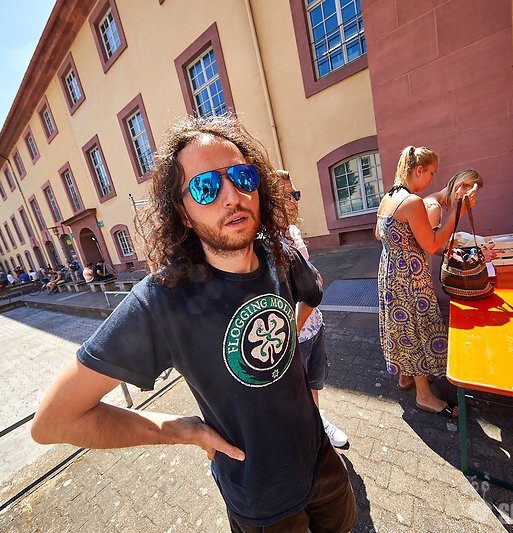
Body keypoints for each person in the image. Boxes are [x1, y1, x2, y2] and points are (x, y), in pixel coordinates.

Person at [31, 115, 357, 532]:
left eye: (242, 177)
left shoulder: (280, 255)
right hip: (259, 498)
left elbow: (311, 295)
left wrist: (288, 340)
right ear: (183, 214)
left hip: (321, 463)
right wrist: (183, 431)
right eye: (206, 187)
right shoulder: (161, 300)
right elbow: (54, 421)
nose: (232, 196)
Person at [376, 146, 476, 418]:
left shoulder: (388, 198)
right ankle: (424, 396)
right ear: (419, 170)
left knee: (402, 326)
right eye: (431, 173)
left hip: (390, 272)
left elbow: (378, 234)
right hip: (410, 277)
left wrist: (400, 244)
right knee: (417, 330)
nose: (432, 179)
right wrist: (459, 211)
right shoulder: (411, 202)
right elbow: (431, 245)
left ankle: (405, 377)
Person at [276, 169, 348, 448]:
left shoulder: (293, 232)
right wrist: (293, 330)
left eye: (296, 194)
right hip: (293, 335)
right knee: (294, 391)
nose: (294, 201)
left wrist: (313, 284)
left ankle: (318, 422)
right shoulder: (265, 242)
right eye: (286, 196)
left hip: (314, 325)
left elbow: (313, 280)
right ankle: (304, 439)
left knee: (314, 383)